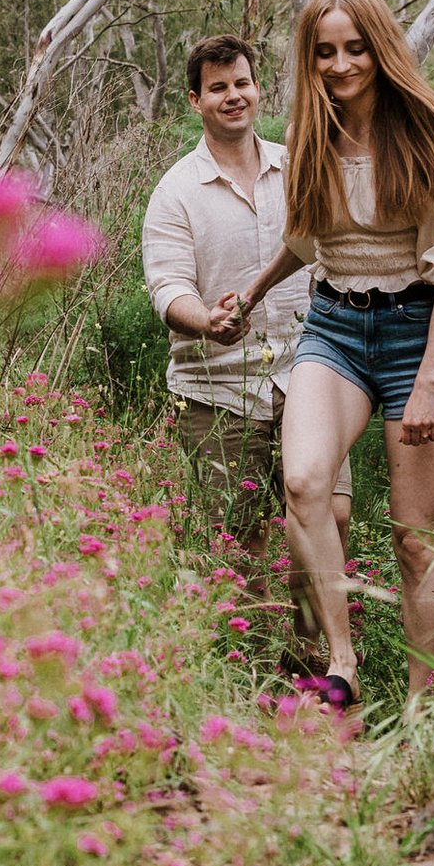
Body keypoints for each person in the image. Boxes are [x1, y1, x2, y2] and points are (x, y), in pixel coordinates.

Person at [226, 0, 434, 706]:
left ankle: (424, 703)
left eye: (355, 48)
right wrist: (255, 292)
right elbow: (308, 238)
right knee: (305, 482)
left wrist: (425, 382)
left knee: (414, 539)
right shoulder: (311, 140)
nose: (341, 64)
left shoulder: (427, 138)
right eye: (325, 52)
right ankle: (342, 661)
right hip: (337, 328)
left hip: (422, 333)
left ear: (381, 49)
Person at [142, 34, 350, 672]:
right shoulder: (176, 191)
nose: (233, 97)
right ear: (195, 100)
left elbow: (335, 248)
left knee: (330, 520)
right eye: (218, 88)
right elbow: (168, 285)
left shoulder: (301, 167)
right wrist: (205, 319)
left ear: (257, 88)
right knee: (242, 537)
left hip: (311, 373)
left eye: (242, 84)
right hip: (218, 387)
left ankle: (315, 666)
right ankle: (252, 673)